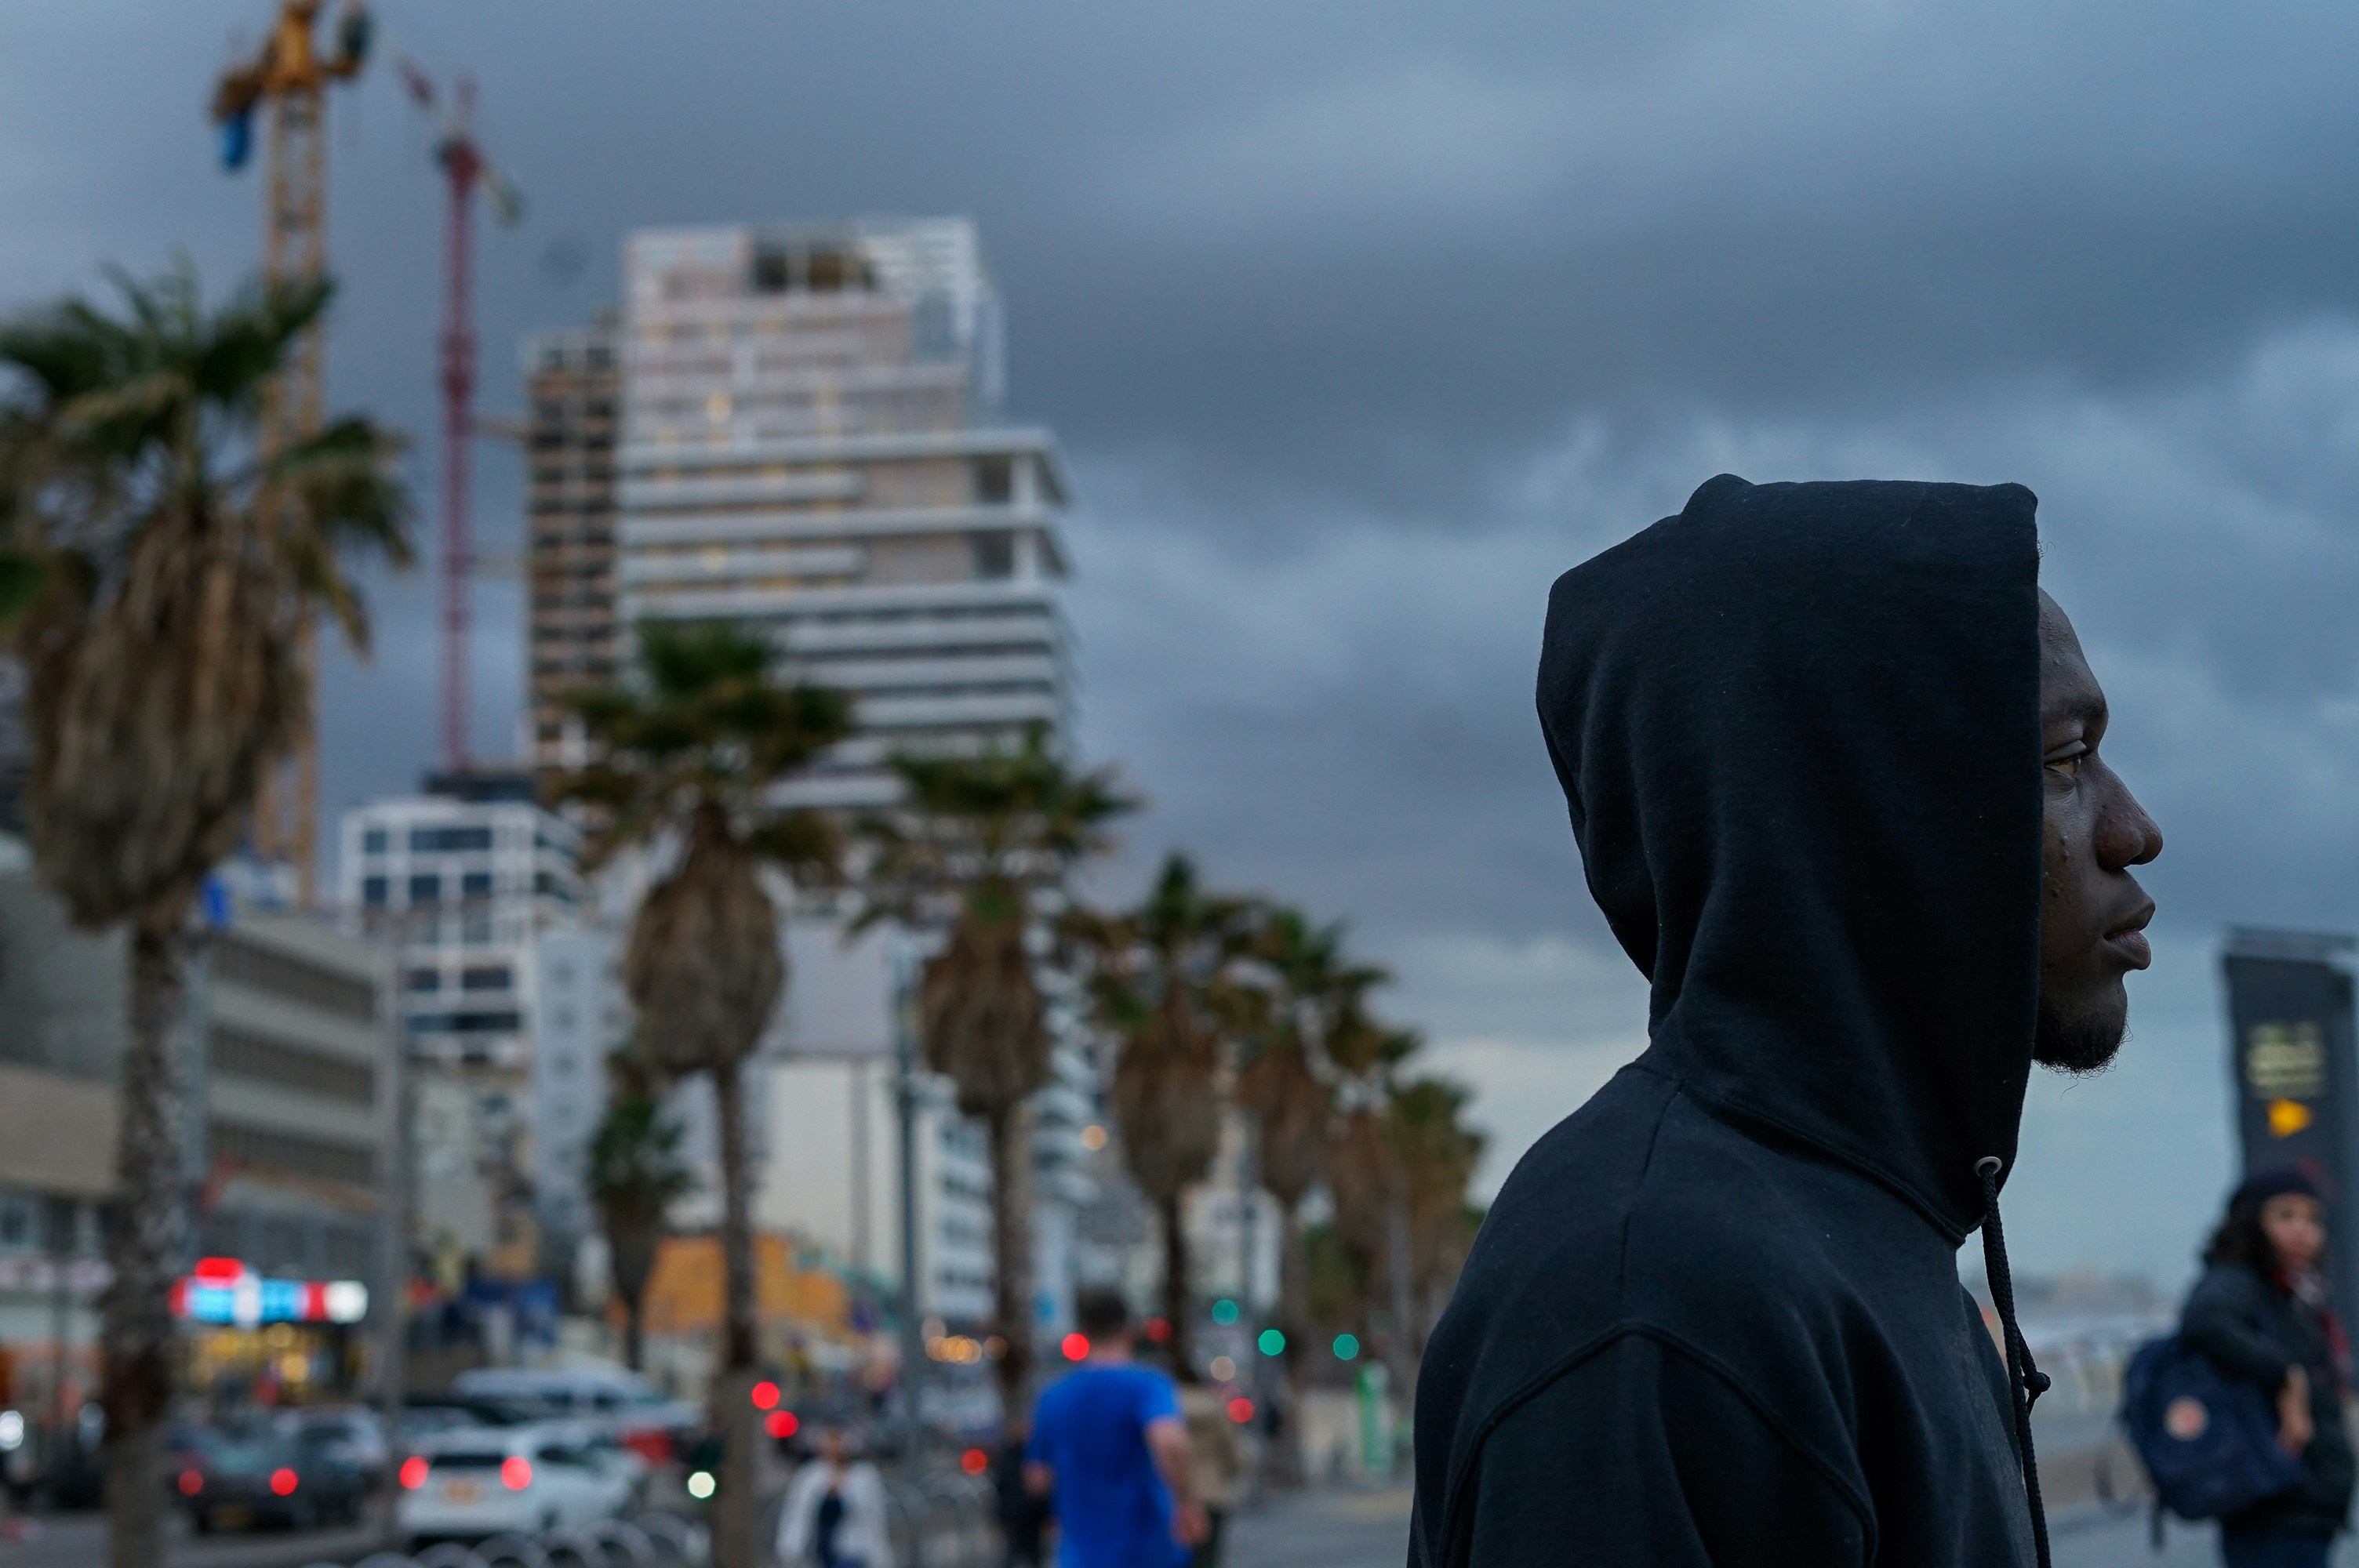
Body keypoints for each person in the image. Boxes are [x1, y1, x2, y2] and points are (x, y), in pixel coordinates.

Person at [1409, 476, 2164, 1567]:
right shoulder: (1659, 1303)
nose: (2133, 829)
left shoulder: (1867, 1237)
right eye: (2062, 762)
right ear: (1859, 809)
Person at [2182, 1169, 2356, 1566]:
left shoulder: (2295, 1291)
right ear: (2252, 1221)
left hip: (2302, 1501)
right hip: (2275, 1500)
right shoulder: (2237, 1281)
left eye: (2313, 1219)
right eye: (2285, 1216)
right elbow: (2205, 1320)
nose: (2302, 1230)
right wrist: (2286, 1375)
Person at [1026, 1290, 1207, 1568]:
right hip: (1147, 1548)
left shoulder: (1054, 1395)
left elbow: (1037, 1478)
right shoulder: (1148, 1386)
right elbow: (1170, 1442)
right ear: (1129, 1331)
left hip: (1080, 1553)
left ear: (1083, 1332)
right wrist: (1186, 1503)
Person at [776, 1426, 895, 1568]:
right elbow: (797, 1514)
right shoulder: (810, 1476)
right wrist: (790, 1547)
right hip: (820, 1550)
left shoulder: (863, 1477)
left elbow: (874, 1517)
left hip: (852, 1550)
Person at [1176, 1377, 1245, 1567]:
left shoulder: (1163, 1406)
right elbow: (1233, 1452)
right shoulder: (1214, 1406)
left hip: (1175, 1493)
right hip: (1211, 1492)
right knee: (1207, 1558)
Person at [994, 1414, 1052, 1568]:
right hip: (1017, 1515)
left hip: (1030, 1515)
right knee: (1014, 1554)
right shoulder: (1012, 1456)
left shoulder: (1031, 1455)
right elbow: (1002, 1488)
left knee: (1032, 1555)